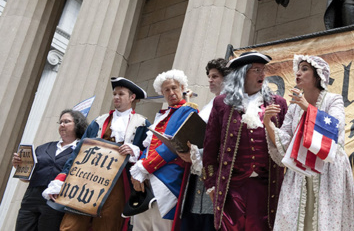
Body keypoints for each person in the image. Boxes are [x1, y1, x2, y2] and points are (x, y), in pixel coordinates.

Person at [263, 54, 354, 230]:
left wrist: (307, 107)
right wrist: (268, 123)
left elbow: (335, 130)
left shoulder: (333, 100)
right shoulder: (293, 107)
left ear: (318, 75)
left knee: (327, 221)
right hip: (300, 171)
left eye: (304, 69)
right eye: (298, 69)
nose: (298, 73)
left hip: (327, 170)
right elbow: (285, 143)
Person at [42, 77, 150, 231]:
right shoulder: (98, 122)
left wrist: (136, 151)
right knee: (72, 224)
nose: (116, 97)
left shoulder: (142, 124)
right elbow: (78, 153)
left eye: (121, 94)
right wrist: (62, 178)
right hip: (85, 179)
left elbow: (149, 151)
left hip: (118, 184)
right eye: (114, 94)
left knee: (108, 224)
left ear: (132, 98)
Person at [202, 51, 288, 230]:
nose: (262, 74)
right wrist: (211, 184)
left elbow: (287, 143)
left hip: (267, 188)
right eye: (256, 70)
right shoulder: (222, 104)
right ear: (243, 73)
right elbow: (210, 149)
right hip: (232, 188)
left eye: (263, 70)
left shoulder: (278, 103)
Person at [129, 69, 199, 231]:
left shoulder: (188, 110)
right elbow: (150, 146)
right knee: (141, 226)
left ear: (182, 88)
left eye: (174, 88)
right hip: (147, 178)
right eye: (166, 90)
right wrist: (139, 167)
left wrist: (143, 167)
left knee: (160, 226)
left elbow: (174, 145)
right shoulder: (162, 115)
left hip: (168, 179)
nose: (171, 92)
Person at [13, 109, 87, 231]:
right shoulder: (43, 148)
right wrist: (19, 166)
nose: (62, 124)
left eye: (67, 121)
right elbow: (27, 177)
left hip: (56, 200)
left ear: (77, 125)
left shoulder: (81, 151)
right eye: (61, 122)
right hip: (31, 198)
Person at [180, 58, 230, 230]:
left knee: (210, 222)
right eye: (209, 76)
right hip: (197, 177)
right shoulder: (208, 106)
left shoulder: (230, 104)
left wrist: (196, 154)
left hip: (215, 175)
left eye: (215, 76)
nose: (210, 80)